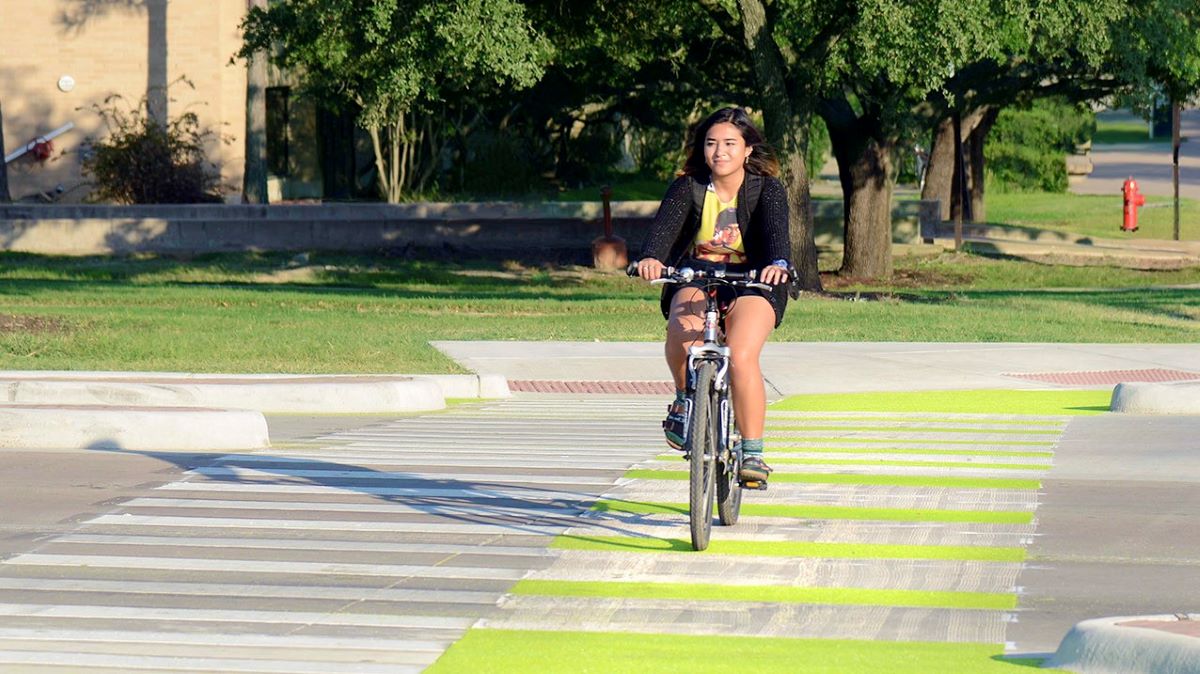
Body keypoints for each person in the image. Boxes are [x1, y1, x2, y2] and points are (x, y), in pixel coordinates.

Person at [635, 106, 791, 483]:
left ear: (748, 149)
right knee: (682, 333)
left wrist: (779, 264)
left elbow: (776, 237)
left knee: (740, 355)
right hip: (696, 275)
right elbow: (662, 235)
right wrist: (652, 259)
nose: (719, 152)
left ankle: (752, 452)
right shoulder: (687, 186)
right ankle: (686, 399)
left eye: (729, 144)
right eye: (711, 143)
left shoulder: (766, 189)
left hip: (754, 280)